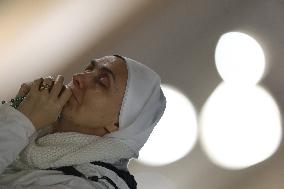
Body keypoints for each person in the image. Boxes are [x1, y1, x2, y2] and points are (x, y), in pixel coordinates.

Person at [0, 55, 166, 188]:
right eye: (89, 69)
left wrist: (21, 121)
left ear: (118, 124)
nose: (78, 77)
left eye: (102, 82)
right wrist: (17, 110)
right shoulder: (31, 133)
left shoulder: (88, 184)